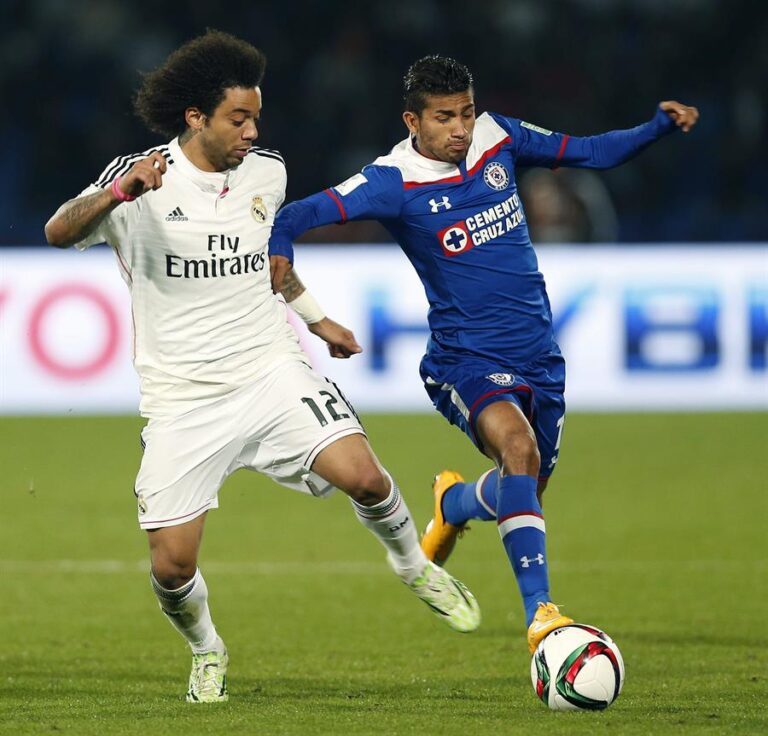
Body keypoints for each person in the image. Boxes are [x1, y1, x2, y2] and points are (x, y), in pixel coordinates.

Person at [44, 35, 480, 704]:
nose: (253, 131)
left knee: (365, 476)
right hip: (183, 396)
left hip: (269, 368)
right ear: (196, 118)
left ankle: (413, 563)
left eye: (255, 117)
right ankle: (206, 649)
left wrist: (314, 317)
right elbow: (58, 231)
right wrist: (117, 194)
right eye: (238, 119)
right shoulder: (140, 176)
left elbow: (265, 263)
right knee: (171, 564)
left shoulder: (266, 173)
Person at [268, 54, 699, 654]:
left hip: (539, 357)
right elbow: (298, 213)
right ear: (412, 121)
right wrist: (284, 253)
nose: (462, 129)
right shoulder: (392, 180)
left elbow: (591, 152)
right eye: (445, 117)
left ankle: (454, 502)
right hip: (463, 358)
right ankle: (542, 616)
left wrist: (655, 126)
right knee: (517, 449)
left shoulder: (499, 138)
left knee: (521, 487)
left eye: (466, 112)